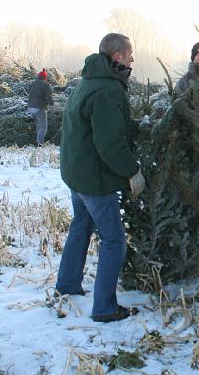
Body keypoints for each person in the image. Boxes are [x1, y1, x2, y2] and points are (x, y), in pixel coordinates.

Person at [55, 33, 145, 323]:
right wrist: (132, 170)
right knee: (114, 240)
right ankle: (105, 307)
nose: (132, 61)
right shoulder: (108, 89)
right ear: (118, 56)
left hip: (76, 175)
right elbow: (109, 143)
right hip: (95, 180)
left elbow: (108, 123)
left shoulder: (89, 82)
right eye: (130, 55)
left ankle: (66, 285)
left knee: (80, 226)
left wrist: (140, 128)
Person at [27, 68, 53, 145]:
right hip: (39, 108)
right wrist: (52, 104)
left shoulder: (33, 84)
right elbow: (49, 97)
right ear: (45, 77)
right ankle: (40, 144)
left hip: (30, 107)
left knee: (38, 125)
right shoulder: (45, 85)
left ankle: (38, 143)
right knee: (43, 127)